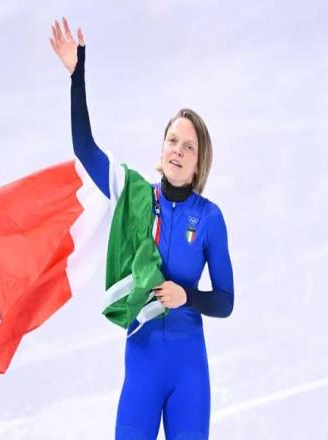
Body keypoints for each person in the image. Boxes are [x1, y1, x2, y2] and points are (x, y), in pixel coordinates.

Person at [49, 17, 234, 440]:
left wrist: (187, 296)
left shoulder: (209, 219)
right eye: (173, 141)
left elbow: (225, 301)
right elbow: (85, 149)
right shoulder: (135, 197)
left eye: (189, 147)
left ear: (198, 163)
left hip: (189, 373)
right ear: (161, 148)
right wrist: (77, 76)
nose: (178, 150)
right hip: (143, 367)